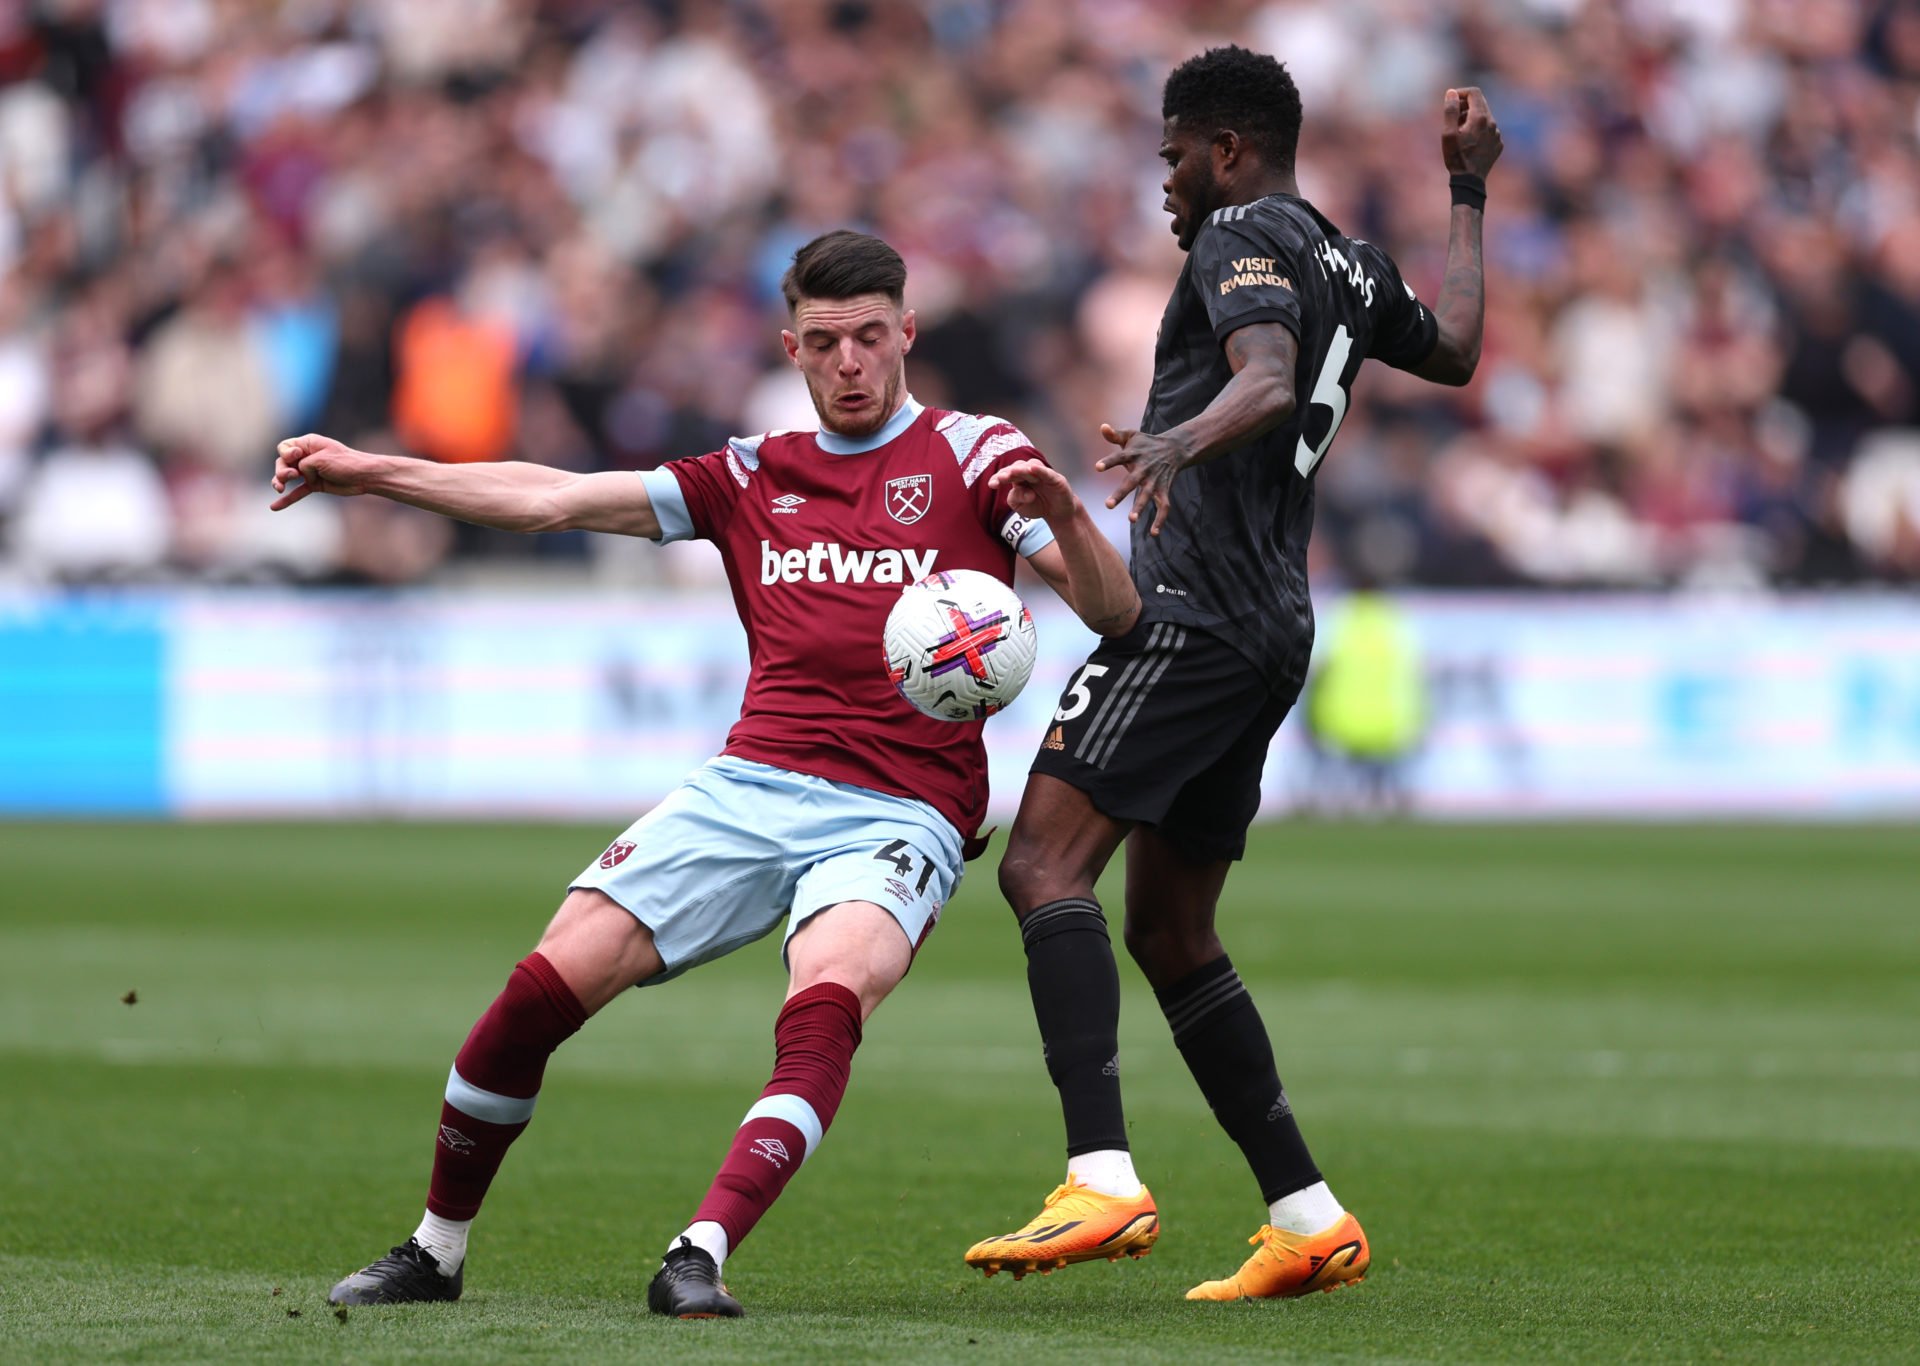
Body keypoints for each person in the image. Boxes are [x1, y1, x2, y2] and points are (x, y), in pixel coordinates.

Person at [271, 230, 1140, 1318]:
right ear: (792, 348)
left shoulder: (973, 456)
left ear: (907, 332)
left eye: (871, 336)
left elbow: (1115, 613)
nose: (852, 363)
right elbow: (553, 498)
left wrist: (1062, 515)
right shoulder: (751, 472)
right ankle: (434, 1250)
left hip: (901, 809)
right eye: (825, 343)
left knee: (827, 996)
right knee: (535, 994)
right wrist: (367, 472)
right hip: (749, 784)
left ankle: (700, 1249)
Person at [962, 47, 1501, 1300]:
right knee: (1172, 929)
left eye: (1171, 156)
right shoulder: (1352, 259)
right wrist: (1467, 194)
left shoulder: (1241, 231)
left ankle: (1098, 1175)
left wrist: (1171, 443)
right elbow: (1461, 348)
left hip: (1192, 614)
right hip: (1272, 626)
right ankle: (1308, 1215)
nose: (1163, 181)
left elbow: (1261, 377)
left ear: (1228, 150)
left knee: (1042, 862)